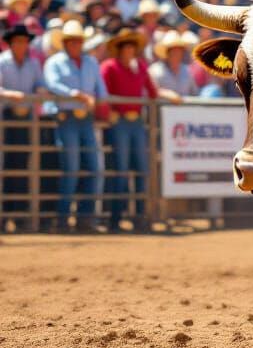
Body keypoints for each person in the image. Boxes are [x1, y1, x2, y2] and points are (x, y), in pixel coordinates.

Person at [100, 26, 181, 231]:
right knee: (121, 170)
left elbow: (152, 91)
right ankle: (115, 219)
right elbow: (103, 93)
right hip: (119, 123)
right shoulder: (109, 67)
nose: (128, 50)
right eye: (125, 46)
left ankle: (139, 217)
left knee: (141, 169)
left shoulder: (141, 67)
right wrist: (108, 112)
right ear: (119, 49)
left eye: (131, 46)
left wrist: (165, 94)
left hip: (136, 122)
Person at [42, 20, 105, 232]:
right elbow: (51, 84)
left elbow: (101, 90)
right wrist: (75, 94)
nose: (75, 44)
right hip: (66, 117)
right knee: (71, 168)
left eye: (78, 41)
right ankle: (62, 219)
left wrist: (97, 100)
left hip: (85, 118)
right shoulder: (54, 62)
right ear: (66, 42)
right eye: (72, 41)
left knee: (93, 169)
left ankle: (84, 219)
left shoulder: (91, 63)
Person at [0, 23, 47, 227]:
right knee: (5, 163)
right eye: (18, 41)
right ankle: (3, 216)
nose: (21, 45)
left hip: (26, 117)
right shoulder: (2, 62)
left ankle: (19, 214)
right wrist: (10, 95)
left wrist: (40, 91)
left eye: (24, 41)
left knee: (22, 163)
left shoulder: (34, 64)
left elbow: (41, 84)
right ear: (11, 43)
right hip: (6, 117)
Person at [149, 31, 196, 97]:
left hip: (185, 107)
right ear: (167, 53)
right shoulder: (154, 70)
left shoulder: (188, 71)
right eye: (174, 51)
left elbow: (194, 93)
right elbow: (150, 92)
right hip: (162, 107)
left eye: (180, 51)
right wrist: (164, 93)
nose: (177, 54)